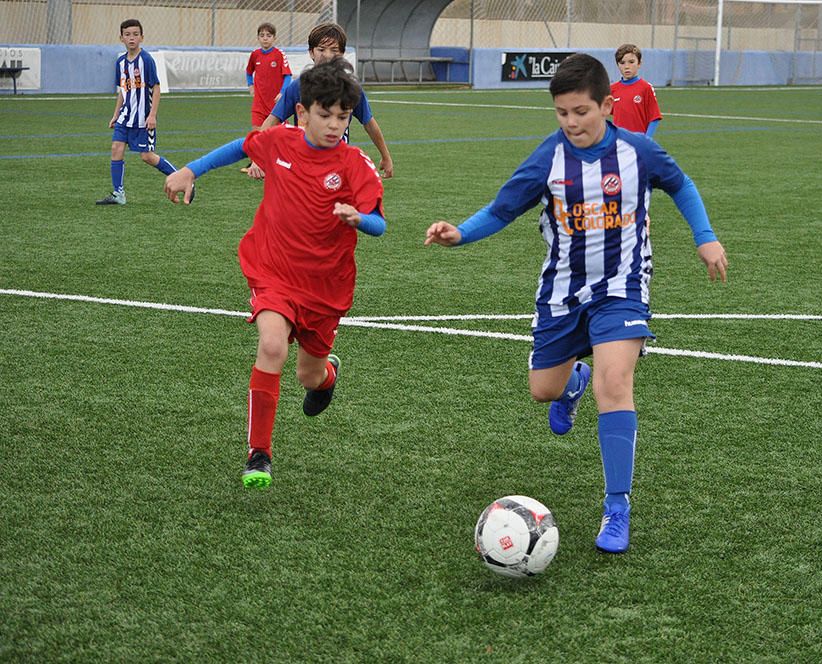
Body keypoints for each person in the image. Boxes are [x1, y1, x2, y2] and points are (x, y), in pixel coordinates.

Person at [424, 53, 727, 554]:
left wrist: (705, 236)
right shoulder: (548, 158)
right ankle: (573, 382)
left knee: (617, 382)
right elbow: (503, 209)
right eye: (562, 113)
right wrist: (460, 233)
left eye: (581, 111)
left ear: (607, 106)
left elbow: (680, 184)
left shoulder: (638, 152)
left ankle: (617, 507)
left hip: (622, 287)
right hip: (562, 292)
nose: (572, 122)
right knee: (543, 389)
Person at [163, 59, 387, 489]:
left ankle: (327, 378)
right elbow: (240, 146)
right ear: (302, 113)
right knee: (271, 346)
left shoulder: (355, 163)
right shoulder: (279, 142)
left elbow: (380, 223)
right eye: (325, 115)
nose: (335, 125)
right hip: (274, 273)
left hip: (325, 287)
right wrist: (190, 170)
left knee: (309, 374)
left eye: (343, 117)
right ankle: (259, 453)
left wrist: (358, 218)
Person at [245, 22, 393, 179]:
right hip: (302, 167)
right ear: (311, 52)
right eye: (321, 49)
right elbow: (272, 120)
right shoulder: (298, 86)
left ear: (342, 54)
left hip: (337, 167)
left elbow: (369, 123)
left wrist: (386, 156)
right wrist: (257, 157)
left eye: (334, 50)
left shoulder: (351, 88)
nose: (327, 55)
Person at [96, 18, 179, 205]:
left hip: (143, 118)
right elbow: (123, 91)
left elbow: (156, 88)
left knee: (147, 156)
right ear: (121, 38)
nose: (131, 38)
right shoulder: (120, 63)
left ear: (142, 37)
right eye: (127, 35)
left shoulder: (146, 60)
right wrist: (116, 115)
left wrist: (152, 115)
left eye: (135, 34)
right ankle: (119, 194)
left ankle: (181, 177)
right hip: (126, 117)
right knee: (116, 148)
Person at [246, 22, 292, 129]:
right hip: (259, 105)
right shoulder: (255, 54)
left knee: (280, 137)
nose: (265, 38)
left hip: (276, 105)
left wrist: (282, 92)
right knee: (257, 137)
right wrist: (250, 85)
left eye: (268, 35)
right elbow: (248, 72)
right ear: (258, 38)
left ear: (274, 38)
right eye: (262, 35)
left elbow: (288, 76)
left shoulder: (279, 54)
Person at [610, 44, 663, 138]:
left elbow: (654, 118)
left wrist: (646, 140)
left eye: (631, 62)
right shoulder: (612, 89)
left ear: (639, 63)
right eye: (622, 63)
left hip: (639, 142)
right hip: (619, 143)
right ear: (617, 65)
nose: (627, 66)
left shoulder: (646, 88)